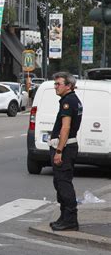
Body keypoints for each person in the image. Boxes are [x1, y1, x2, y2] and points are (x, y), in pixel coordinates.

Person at [48, 72, 82, 231]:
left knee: (64, 185)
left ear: (68, 86)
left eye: (58, 84)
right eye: (55, 84)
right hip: (68, 147)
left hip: (66, 148)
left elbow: (66, 128)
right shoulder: (72, 100)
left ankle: (70, 220)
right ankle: (64, 217)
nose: (55, 87)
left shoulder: (68, 102)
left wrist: (59, 151)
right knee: (60, 183)